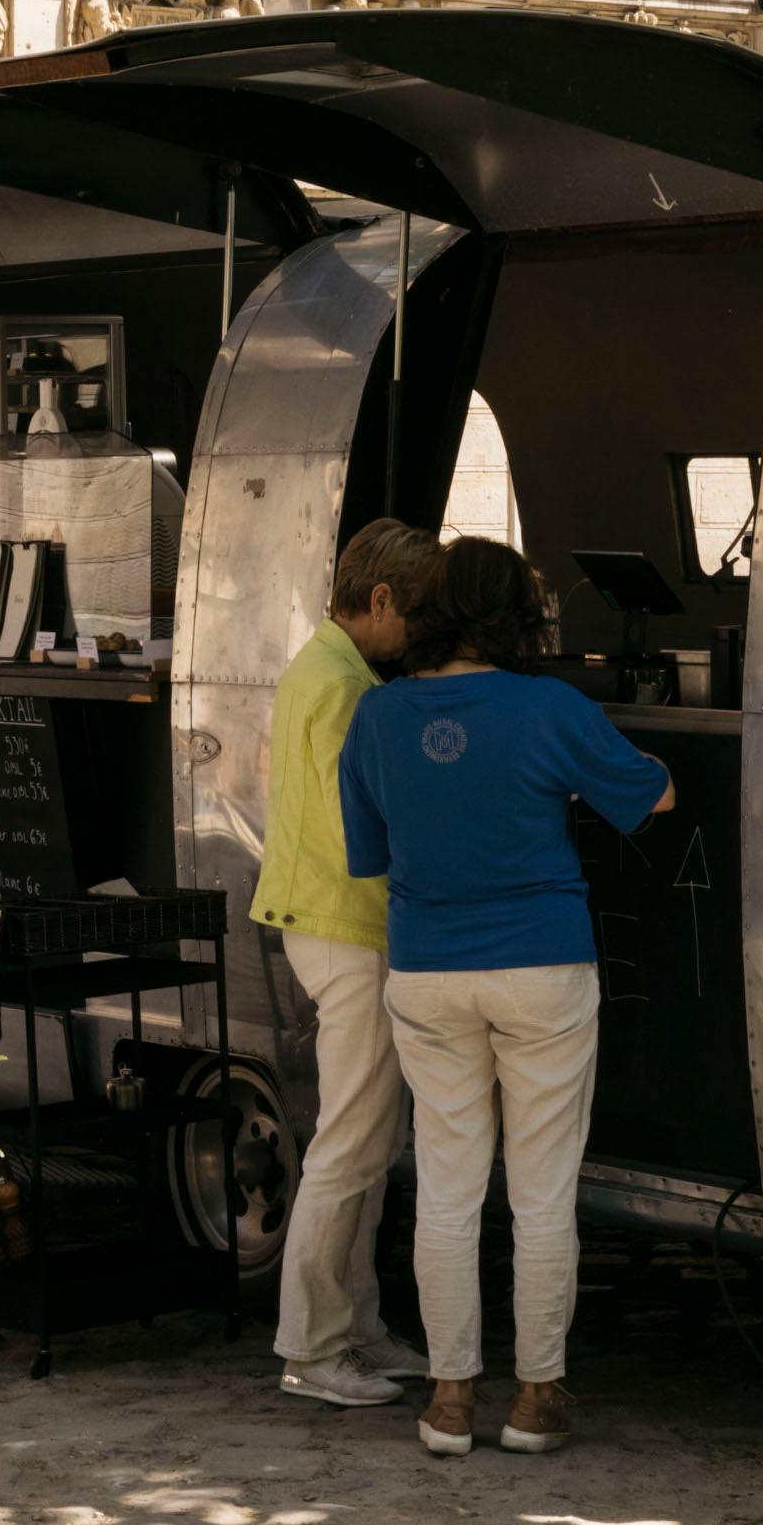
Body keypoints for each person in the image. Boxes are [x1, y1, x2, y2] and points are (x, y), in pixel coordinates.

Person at [338, 535, 671, 1456]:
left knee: (445, 1191)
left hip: (426, 968)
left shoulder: (376, 717)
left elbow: (370, 855)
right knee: (540, 1192)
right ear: (518, 616)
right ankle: (536, 1397)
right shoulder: (548, 708)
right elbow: (653, 796)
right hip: (541, 967)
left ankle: (448, 1400)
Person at [257, 518, 446, 1407]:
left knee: (368, 1139)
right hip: (350, 925)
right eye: (417, 615)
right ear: (380, 601)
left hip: (335, 922)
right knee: (351, 1141)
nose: (421, 636)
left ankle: (356, 1328)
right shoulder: (343, 687)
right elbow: (354, 824)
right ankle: (312, 1345)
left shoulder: (328, 668)